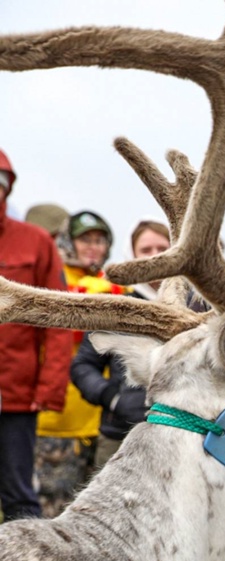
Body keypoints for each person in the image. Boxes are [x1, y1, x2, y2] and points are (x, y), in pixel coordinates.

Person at [34, 209, 125, 517]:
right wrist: (100, 292)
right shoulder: (53, 277)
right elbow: (64, 319)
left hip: (102, 426)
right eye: (84, 239)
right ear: (68, 243)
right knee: (53, 514)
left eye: (99, 240)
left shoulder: (110, 283)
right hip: (57, 425)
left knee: (98, 516)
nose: (92, 247)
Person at [0, 148, 72, 521]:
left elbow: (58, 320)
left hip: (15, 398)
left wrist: (48, 389)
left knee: (19, 495)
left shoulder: (36, 243)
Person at [70, 219, 171, 472]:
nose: (154, 257)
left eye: (162, 248)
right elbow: (83, 366)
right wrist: (113, 399)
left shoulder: (198, 305)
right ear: (132, 255)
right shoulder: (116, 308)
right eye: (145, 250)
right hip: (121, 436)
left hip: (186, 436)